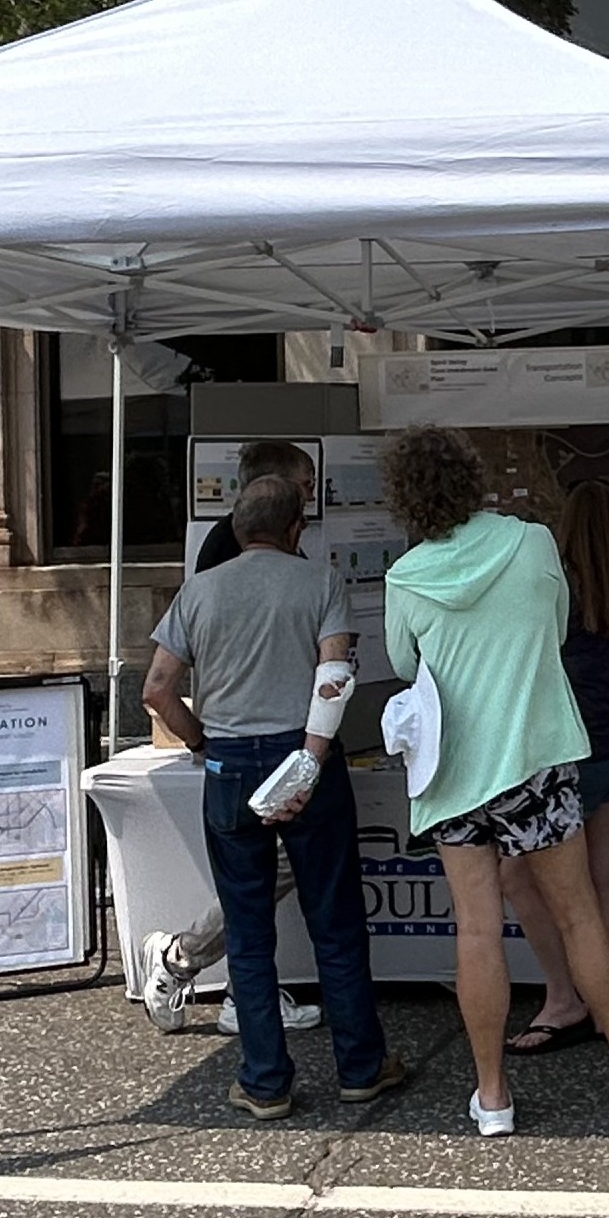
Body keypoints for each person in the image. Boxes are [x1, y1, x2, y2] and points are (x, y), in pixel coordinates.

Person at [380, 427, 609, 1135]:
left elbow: (403, 664)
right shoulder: (533, 543)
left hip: (452, 773)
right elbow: (557, 625)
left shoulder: (404, 578)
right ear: (471, 477)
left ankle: (492, 1096)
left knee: (476, 928)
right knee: (579, 914)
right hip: (537, 756)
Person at [142, 475, 401, 1121]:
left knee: (248, 929)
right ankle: (361, 1067)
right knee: (335, 921)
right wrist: (310, 756)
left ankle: (264, 1082)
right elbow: (334, 675)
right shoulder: (319, 582)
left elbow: (157, 688)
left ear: (236, 528)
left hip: (229, 763)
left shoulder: (199, 591)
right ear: (296, 528)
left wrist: (201, 740)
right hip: (304, 754)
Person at [140, 436, 330, 1038]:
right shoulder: (233, 554)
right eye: (304, 485)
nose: (310, 498)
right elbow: (166, 681)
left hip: (246, 746)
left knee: (263, 873)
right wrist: (202, 742)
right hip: (255, 747)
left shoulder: (248, 549)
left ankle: (236, 990)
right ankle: (186, 960)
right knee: (265, 873)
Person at [499, 479, 609, 1056]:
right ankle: (604, 999)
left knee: (518, 877)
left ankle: (564, 996)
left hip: (571, 752)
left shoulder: (557, 591)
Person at [195, 440, 321, 574]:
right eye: (307, 485)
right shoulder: (224, 546)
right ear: (272, 484)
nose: (311, 497)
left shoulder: (276, 531)